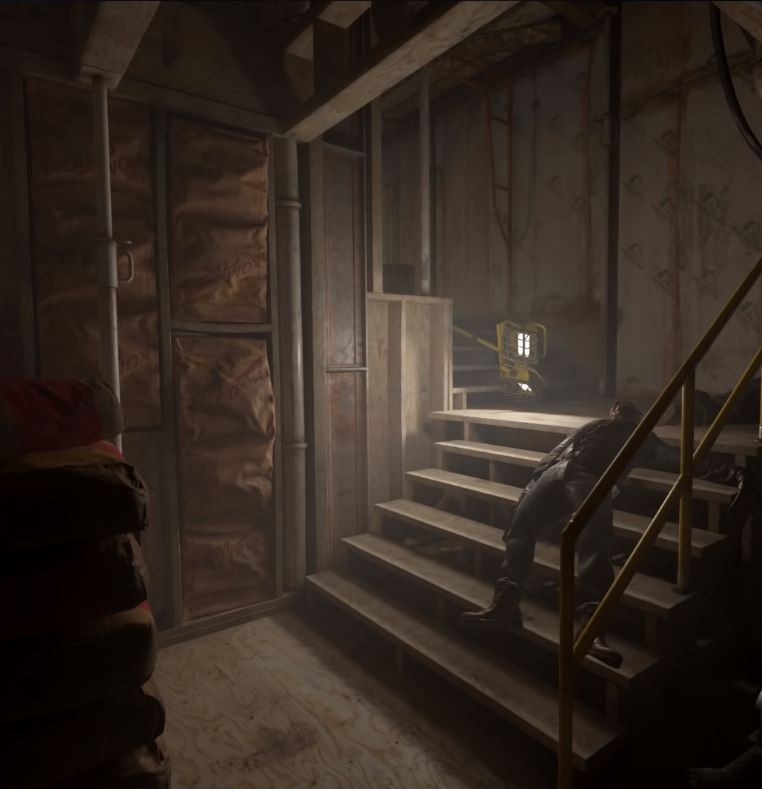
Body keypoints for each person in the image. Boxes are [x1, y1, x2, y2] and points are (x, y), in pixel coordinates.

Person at [459, 401, 748, 668]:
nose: (618, 413)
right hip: (556, 473)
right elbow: (553, 455)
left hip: (593, 481)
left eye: (625, 411)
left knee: (593, 545)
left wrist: (733, 474)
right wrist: (528, 490)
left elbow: (685, 460)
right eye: (616, 409)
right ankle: (506, 604)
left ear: (635, 419)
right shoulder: (590, 427)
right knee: (519, 527)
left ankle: (592, 628)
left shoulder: (643, 438)